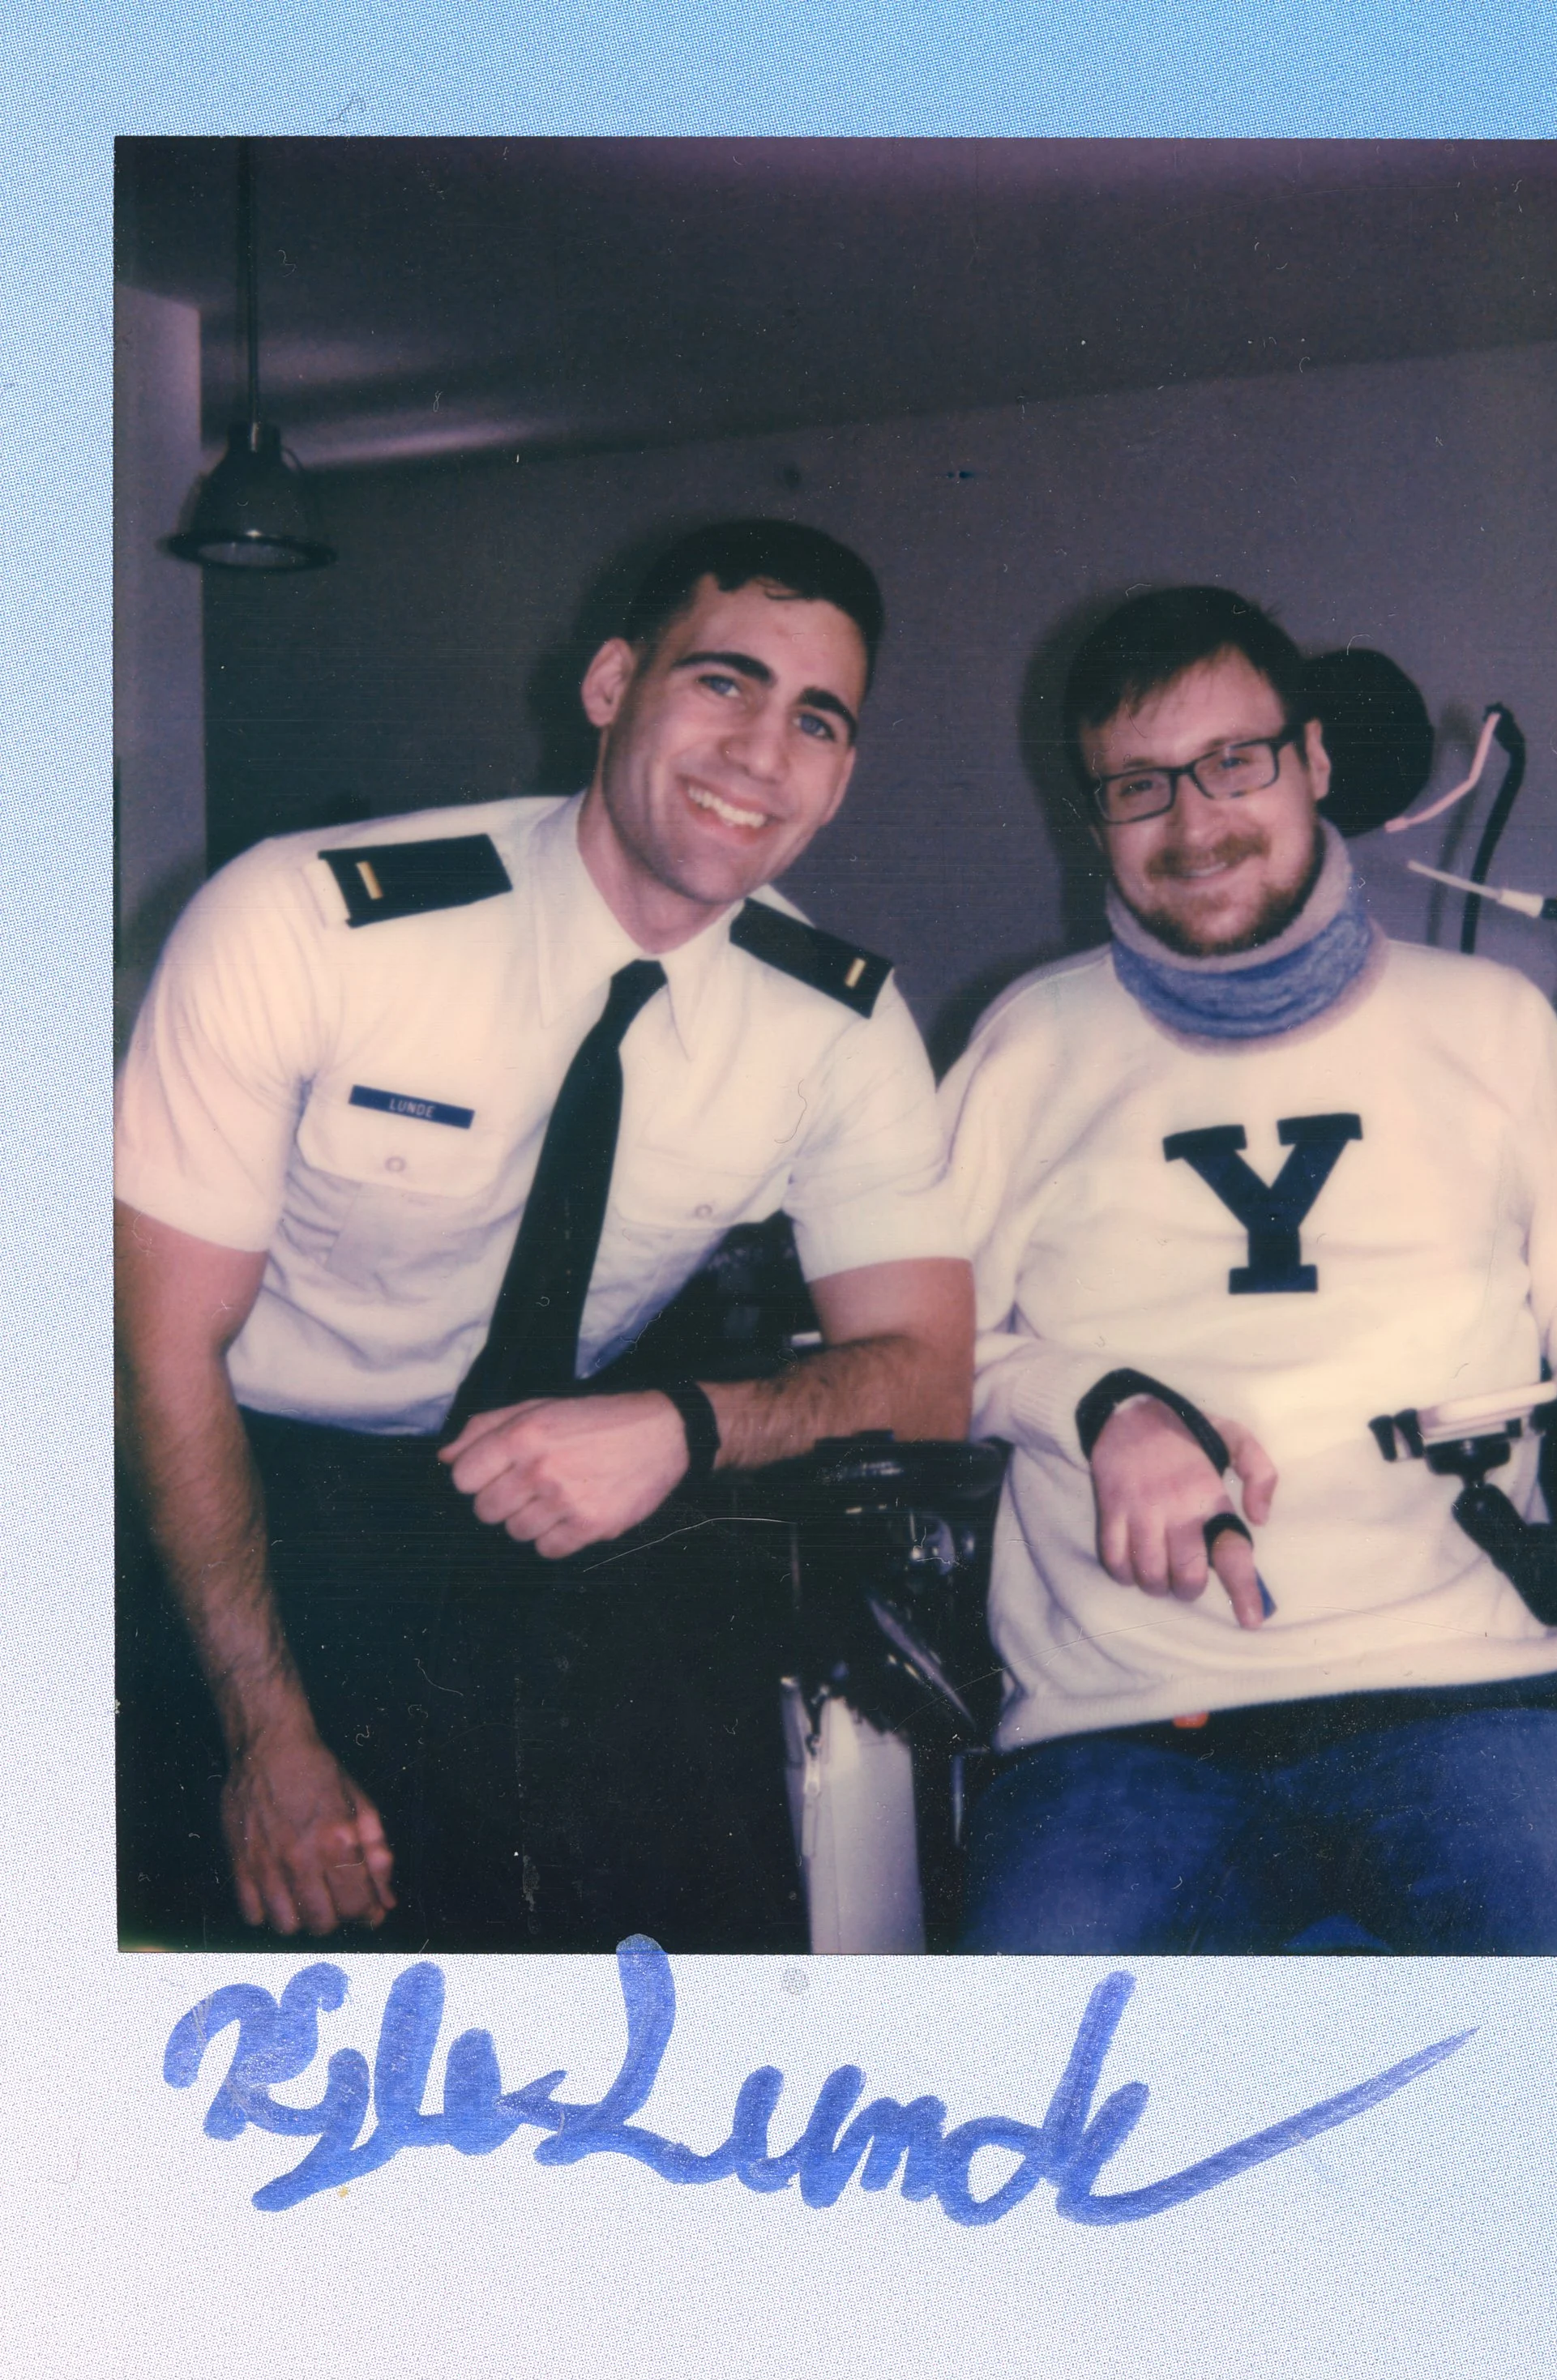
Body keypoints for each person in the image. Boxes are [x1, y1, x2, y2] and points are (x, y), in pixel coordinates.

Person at [939, 585, 1557, 1956]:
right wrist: (1089, 1401)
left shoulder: (1490, 1027)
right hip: (1120, 1732)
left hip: (1476, 1702)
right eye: (1137, 788)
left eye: (1233, 762)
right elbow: (907, 1363)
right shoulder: (1023, 1047)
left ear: (1311, 762)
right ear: (1093, 818)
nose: (1193, 824)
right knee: (1024, 2112)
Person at [116, 519, 973, 1952]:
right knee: (247, 1944)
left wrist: (688, 1427)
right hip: (230, 1483)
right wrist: (268, 1741)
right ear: (609, 686)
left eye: (816, 720)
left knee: (667, 1921)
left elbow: (927, 1371)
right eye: (723, 684)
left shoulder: (836, 1023)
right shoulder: (312, 920)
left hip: (537, 1490)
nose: (764, 751)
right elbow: (159, 1347)